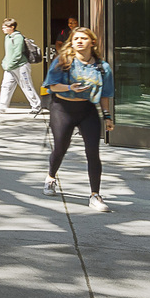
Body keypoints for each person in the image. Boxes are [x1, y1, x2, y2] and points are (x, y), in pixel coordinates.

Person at [42, 26, 115, 212]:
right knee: (61, 148)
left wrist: (107, 116)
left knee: (93, 151)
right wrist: (69, 88)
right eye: (76, 39)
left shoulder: (102, 67)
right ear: (72, 43)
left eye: (84, 38)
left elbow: (105, 94)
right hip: (62, 109)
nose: (80, 41)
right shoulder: (62, 61)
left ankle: (95, 195)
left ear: (92, 42)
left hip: (87, 110)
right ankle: (51, 177)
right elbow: (51, 86)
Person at [0, 18, 42, 114]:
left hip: (21, 66)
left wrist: (9, 64)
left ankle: (37, 106)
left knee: (27, 86)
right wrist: (5, 63)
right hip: (10, 67)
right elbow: (8, 53)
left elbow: (18, 54)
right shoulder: (7, 37)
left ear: (12, 27)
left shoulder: (18, 37)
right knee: (6, 86)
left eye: (5, 27)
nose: (3, 29)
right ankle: (1, 106)